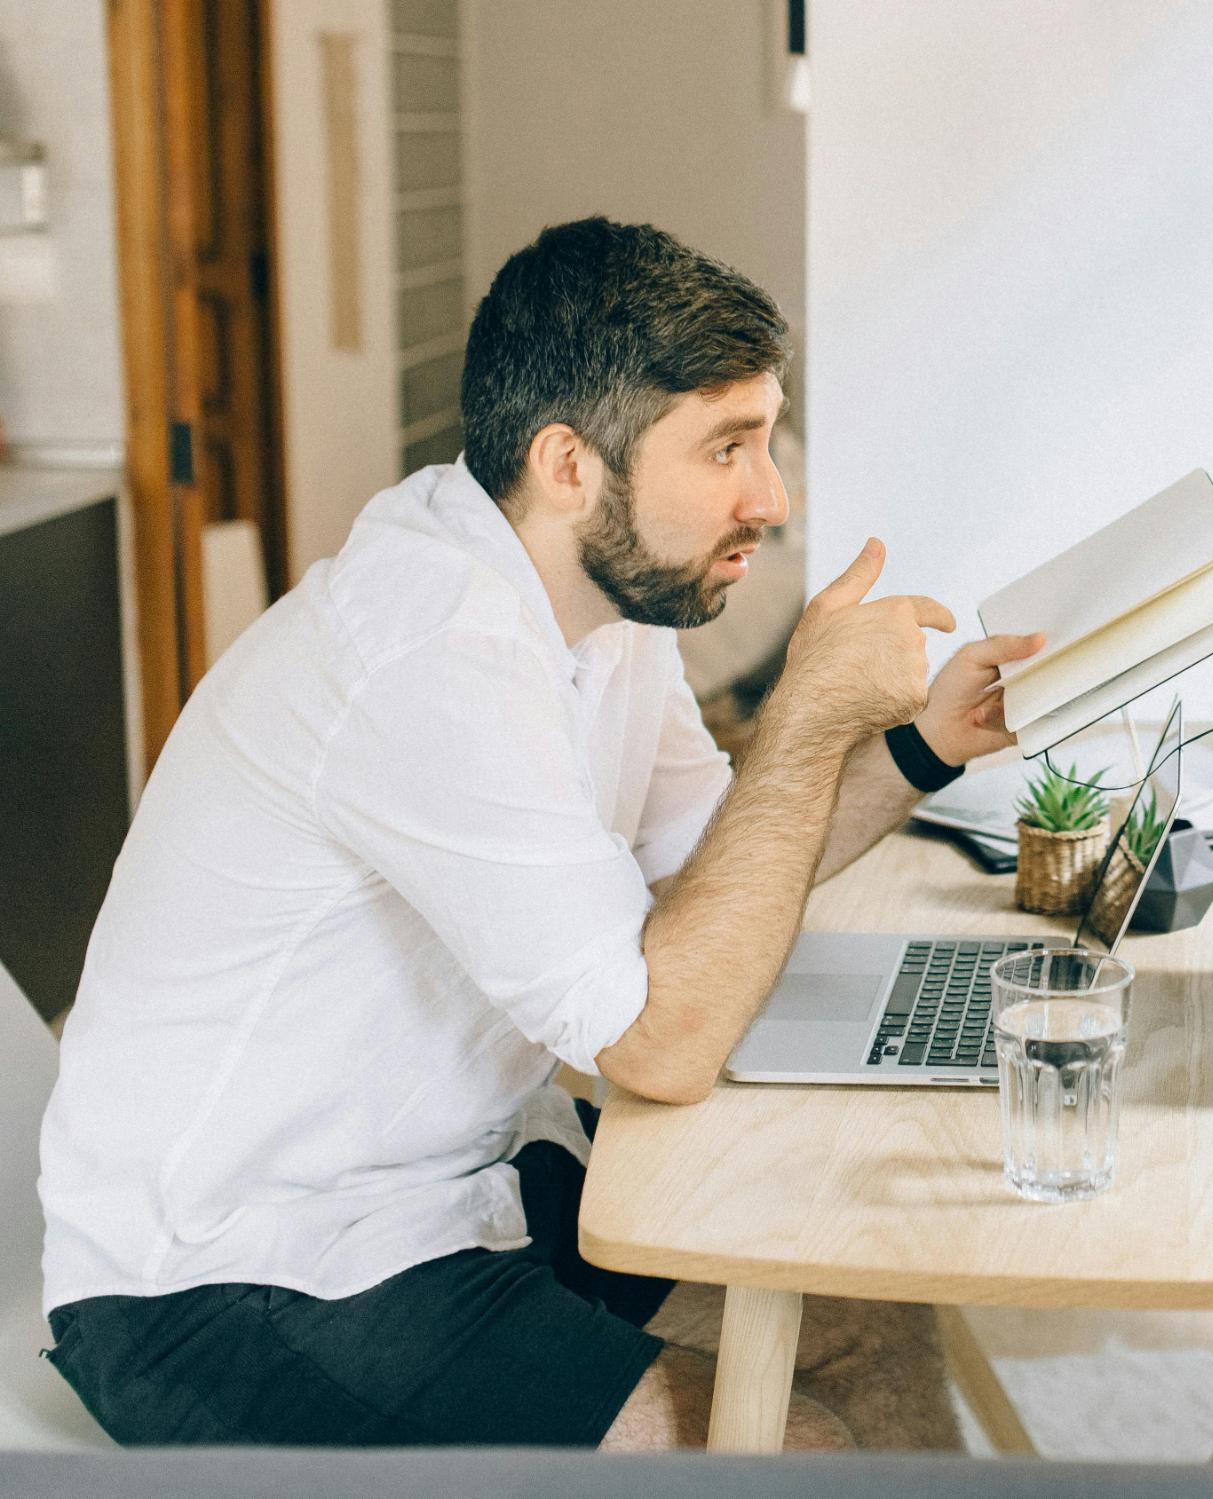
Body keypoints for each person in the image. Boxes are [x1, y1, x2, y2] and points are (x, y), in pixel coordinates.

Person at [38, 217, 1042, 1451]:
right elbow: (656, 1046)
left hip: (446, 1192)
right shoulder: (430, 652)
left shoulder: (608, 604)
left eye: (765, 440)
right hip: (233, 1276)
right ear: (569, 464)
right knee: (792, 1450)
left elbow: (713, 866)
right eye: (727, 446)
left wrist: (921, 742)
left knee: (856, 1307)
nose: (770, 499)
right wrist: (804, 711)